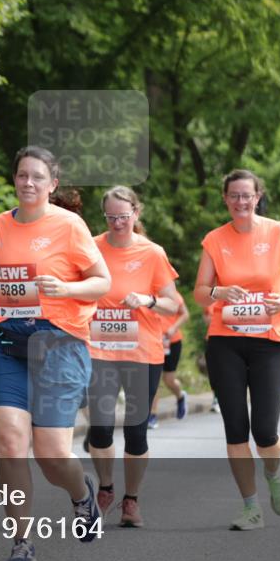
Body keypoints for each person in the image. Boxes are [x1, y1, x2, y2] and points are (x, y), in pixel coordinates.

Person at [0, 146, 111, 561]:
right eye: (21, 175)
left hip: (58, 346)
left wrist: (66, 290)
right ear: (14, 180)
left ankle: (81, 494)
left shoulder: (69, 226)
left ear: (52, 185)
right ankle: (21, 543)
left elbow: (102, 282)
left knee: (51, 454)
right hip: (6, 343)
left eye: (37, 177)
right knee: (10, 443)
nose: (27, 183)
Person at [194, 169, 280, 531]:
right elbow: (200, 290)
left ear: (258, 196)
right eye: (234, 196)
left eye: (247, 195)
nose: (241, 202)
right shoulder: (215, 239)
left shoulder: (279, 232)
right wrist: (218, 292)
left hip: (270, 340)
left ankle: (274, 474)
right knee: (235, 428)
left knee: (264, 430)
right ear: (225, 199)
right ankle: (250, 508)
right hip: (226, 341)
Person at [86, 186, 180, 527]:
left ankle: (132, 500)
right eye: (111, 217)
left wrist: (148, 300)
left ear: (136, 214)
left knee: (137, 431)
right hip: (99, 350)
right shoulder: (91, 248)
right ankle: (106, 488)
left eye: (123, 217)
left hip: (142, 352)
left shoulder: (153, 253)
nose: (117, 223)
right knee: (100, 427)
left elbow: (172, 304)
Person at [150, 292, 191, 429]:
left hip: (171, 341)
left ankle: (180, 396)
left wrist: (173, 328)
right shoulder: (144, 291)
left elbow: (185, 314)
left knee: (169, 380)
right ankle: (152, 415)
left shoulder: (171, 293)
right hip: (152, 341)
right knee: (153, 379)